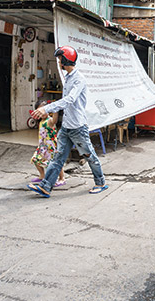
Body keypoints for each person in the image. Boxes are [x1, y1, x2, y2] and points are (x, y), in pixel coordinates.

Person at [27, 46, 108, 198]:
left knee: (89, 156)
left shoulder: (79, 79)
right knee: (57, 158)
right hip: (66, 127)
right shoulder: (69, 78)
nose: (58, 62)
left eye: (59, 60)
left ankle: (101, 182)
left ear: (65, 60)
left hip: (77, 127)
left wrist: (48, 108)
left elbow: (70, 100)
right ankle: (45, 187)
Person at [30, 99, 65, 187]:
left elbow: (55, 121)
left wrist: (55, 110)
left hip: (51, 147)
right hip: (43, 146)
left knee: (56, 163)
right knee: (35, 159)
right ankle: (42, 175)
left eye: (43, 109)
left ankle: (62, 178)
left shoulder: (49, 121)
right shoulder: (41, 122)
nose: (41, 113)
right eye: (39, 110)